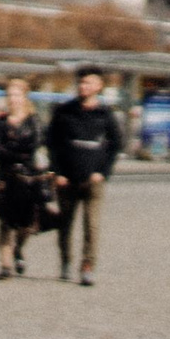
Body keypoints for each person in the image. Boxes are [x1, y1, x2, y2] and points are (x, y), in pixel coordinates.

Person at [45, 67, 121, 285]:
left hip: (93, 180)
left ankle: (88, 266)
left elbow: (116, 144)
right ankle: (66, 261)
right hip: (67, 179)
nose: (83, 86)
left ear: (98, 86)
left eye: (88, 83)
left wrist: (103, 172)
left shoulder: (105, 114)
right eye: (80, 82)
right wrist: (56, 172)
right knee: (65, 224)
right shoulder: (64, 111)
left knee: (92, 225)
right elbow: (51, 143)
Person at [0, 80, 45, 279]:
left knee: (26, 223)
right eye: (9, 95)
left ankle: (18, 247)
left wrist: (13, 151)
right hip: (4, 176)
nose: (13, 99)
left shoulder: (33, 121)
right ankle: (5, 265)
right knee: (5, 221)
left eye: (17, 95)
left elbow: (34, 145)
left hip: (28, 177)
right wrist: (18, 153)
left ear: (25, 97)